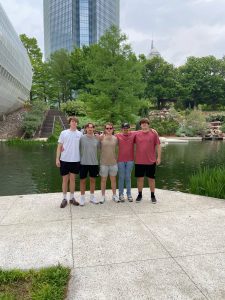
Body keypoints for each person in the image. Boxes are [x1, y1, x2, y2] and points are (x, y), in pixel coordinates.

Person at [56, 116, 82, 208]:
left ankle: (71, 198)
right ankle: (64, 199)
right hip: (64, 160)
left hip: (75, 160)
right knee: (64, 180)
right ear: (69, 123)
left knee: (72, 180)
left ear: (77, 123)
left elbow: (82, 147)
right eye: (72, 121)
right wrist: (57, 159)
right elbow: (59, 146)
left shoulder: (80, 134)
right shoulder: (64, 133)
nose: (74, 123)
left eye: (75, 121)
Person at [135, 118, 161, 204]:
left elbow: (158, 145)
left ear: (148, 124)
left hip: (151, 161)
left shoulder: (153, 134)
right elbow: (125, 133)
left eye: (146, 123)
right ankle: (139, 195)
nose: (144, 124)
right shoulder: (136, 134)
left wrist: (159, 157)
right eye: (142, 123)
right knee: (140, 179)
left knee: (151, 179)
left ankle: (153, 196)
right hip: (139, 161)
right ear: (140, 125)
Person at [79, 123, 100, 206]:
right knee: (83, 181)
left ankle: (92, 197)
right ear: (86, 129)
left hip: (94, 163)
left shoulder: (97, 138)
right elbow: (75, 147)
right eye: (88, 127)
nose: (90, 129)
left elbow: (102, 148)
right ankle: (82, 198)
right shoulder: (81, 138)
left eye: (92, 127)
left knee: (92, 180)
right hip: (83, 162)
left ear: (94, 129)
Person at [115, 123, 136, 202]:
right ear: (122, 129)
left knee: (128, 177)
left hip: (130, 160)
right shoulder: (118, 135)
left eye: (127, 128)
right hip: (120, 160)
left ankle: (129, 194)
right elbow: (109, 136)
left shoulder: (133, 134)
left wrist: (152, 130)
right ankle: (121, 194)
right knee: (121, 177)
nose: (126, 130)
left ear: (129, 128)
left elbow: (142, 131)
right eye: (124, 128)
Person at [99, 123, 119, 203]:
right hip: (103, 162)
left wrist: (152, 130)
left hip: (113, 162)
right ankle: (103, 196)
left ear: (113, 129)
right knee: (103, 180)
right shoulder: (101, 138)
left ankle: (114, 195)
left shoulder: (116, 138)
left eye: (110, 128)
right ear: (105, 129)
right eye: (107, 128)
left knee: (113, 180)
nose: (109, 129)